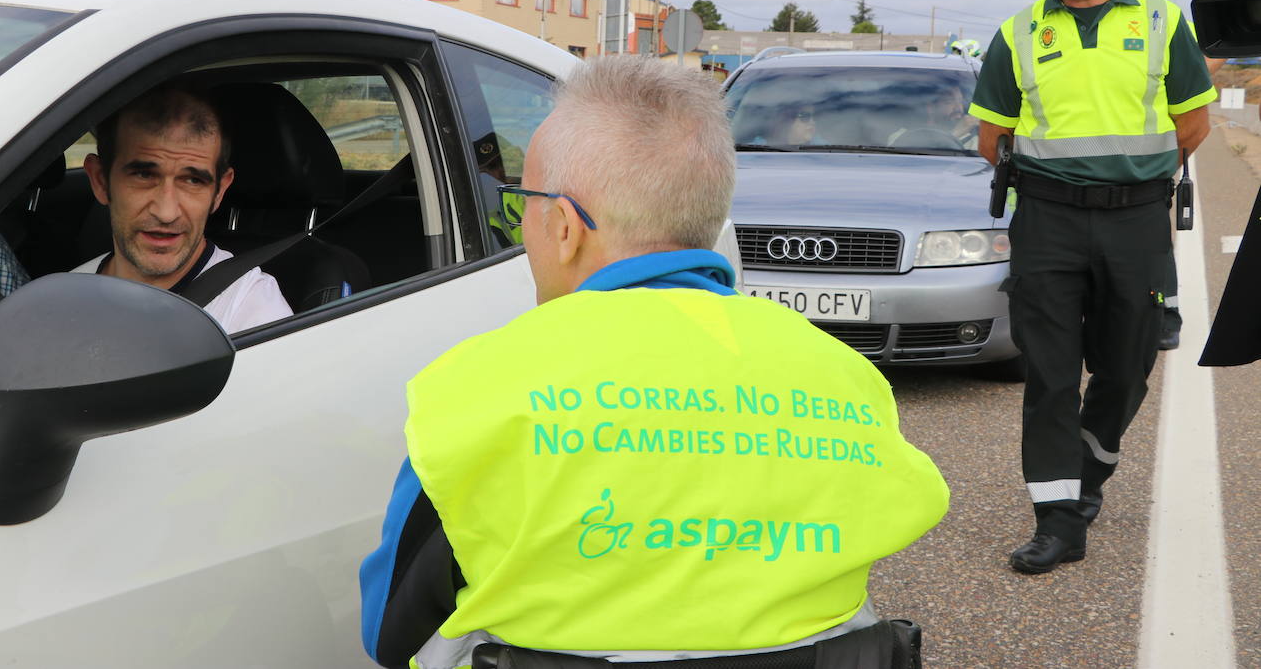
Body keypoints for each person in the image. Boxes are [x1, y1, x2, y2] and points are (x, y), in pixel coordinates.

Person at [360, 56, 949, 669]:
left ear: (564, 226)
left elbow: (389, 633)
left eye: (521, 205)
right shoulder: (846, 377)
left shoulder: (474, 388)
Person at [968, 0, 1216, 574]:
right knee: (1049, 374)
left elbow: (1193, 123)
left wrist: (1129, 173)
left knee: (1127, 367)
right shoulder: (1018, 32)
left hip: (1136, 219)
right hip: (1046, 221)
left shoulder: (1164, 21)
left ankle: (1089, 469)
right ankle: (1058, 520)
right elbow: (994, 138)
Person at [76, 85, 292, 333]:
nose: (166, 212)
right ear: (101, 180)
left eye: (193, 181)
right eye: (144, 175)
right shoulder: (66, 295)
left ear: (220, 191)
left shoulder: (253, 313)